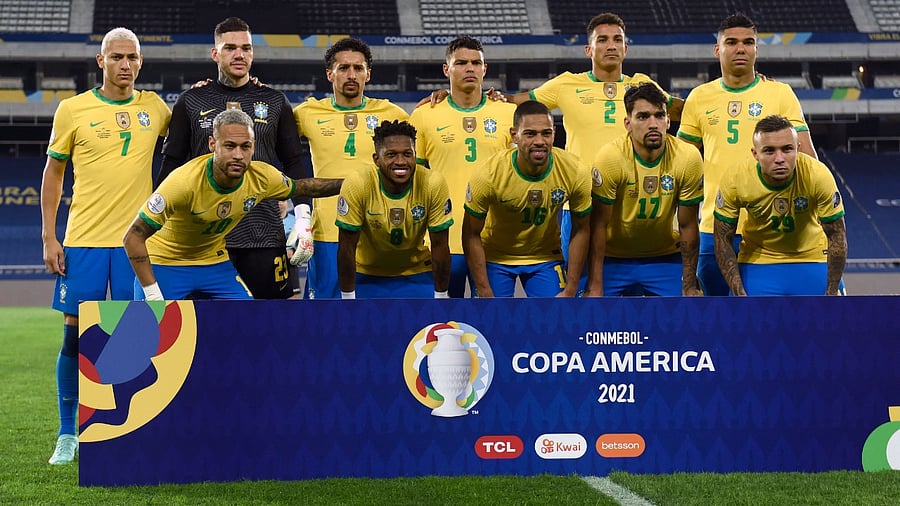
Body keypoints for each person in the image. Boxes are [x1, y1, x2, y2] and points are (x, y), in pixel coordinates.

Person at [39, 27, 171, 464]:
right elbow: (54, 175)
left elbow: (189, 135)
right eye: (116, 57)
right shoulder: (72, 110)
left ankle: (131, 429)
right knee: (75, 338)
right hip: (84, 242)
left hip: (137, 245)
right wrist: (49, 235)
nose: (125, 65)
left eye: (132, 57)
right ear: (101, 62)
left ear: (141, 61)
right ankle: (67, 434)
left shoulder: (155, 107)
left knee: (137, 339)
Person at [158, 16, 309, 300]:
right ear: (215, 54)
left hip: (263, 233)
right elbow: (171, 165)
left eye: (246, 48)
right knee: (203, 329)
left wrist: (302, 218)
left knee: (279, 321)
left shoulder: (275, 101)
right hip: (204, 241)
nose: (239, 54)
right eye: (230, 48)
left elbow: (294, 162)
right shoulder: (191, 101)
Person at [123, 109, 342, 300]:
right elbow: (132, 237)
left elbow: (305, 187)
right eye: (229, 146)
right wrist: (152, 293)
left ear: (253, 147)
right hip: (165, 263)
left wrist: (350, 184)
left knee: (243, 321)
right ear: (212, 144)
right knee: (148, 337)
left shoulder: (262, 177)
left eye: (245, 146)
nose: (238, 155)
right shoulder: (183, 182)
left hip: (213, 264)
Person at [677, 12, 820, 296]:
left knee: (765, 319)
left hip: (771, 227)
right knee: (715, 318)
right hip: (714, 226)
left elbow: (807, 158)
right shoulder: (699, 97)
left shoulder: (779, 93)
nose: (740, 48)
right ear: (718, 49)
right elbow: (684, 164)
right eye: (731, 42)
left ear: (756, 49)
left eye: (748, 42)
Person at [294, 38, 409, 299]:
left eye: (358, 68)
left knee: (374, 315)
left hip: (378, 232)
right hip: (328, 233)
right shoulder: (307, 112)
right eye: (344, 68)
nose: (351, 75)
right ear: (329, 74)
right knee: (325, 315)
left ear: (368, 74)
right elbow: (272, 136)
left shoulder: (392, 113)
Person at [408, 36, 516, 298]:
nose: (470, 68)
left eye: (476, 63)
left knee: (494, 321)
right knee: (443, 323)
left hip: (493, 239)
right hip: (442, 238)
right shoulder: (424, 115)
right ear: (447, 69)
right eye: (461, 63)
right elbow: (414, 182)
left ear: (485, 69)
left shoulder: (508, 113)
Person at [462, 101, 591, 298]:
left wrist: (571, 286)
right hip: (496, 257)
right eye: (530, 134)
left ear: (554, 134)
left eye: (546, 133)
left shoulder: (574, 170)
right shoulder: (488, 174)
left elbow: (581, 229)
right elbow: (471, 234)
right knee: (491, 321)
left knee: (556, 320)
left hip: (545, 257)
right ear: (514, 135)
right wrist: (484, 288)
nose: (539, 141)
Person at [587, 83, 703, 296]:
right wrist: (594, 285)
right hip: (613, 259)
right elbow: (598, 225)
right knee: (592, 318)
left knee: (688, 317)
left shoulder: (687, 157)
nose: (653, 124)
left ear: (668, 121)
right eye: (643, 117)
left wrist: (689, 285)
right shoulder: (610, 157)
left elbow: (688, 225)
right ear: (627, 123)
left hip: (665, 258)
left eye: (659, 116)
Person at [713, 115, 847, 295]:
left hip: (812, 257)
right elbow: (722, 239)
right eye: (769, 151)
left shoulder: (817, 175)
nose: (779, 158)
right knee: (744, 320)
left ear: (798, 149)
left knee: (831, 319)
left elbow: (837, 235)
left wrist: (831, 292)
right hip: (758, 261)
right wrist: (739, 293)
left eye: (787, 149)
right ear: (755, 153)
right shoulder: (736, 179)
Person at [335, 120, 452, 299]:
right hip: (366, 274)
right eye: (391, 155)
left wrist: (442, 296)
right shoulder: (358, 183)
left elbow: (440, 245)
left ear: (415, 155)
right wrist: (348, 298)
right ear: (377, 159)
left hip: (417, 273)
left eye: (407, 154)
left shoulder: (432, 183)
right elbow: (346, 247)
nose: (400, 162)